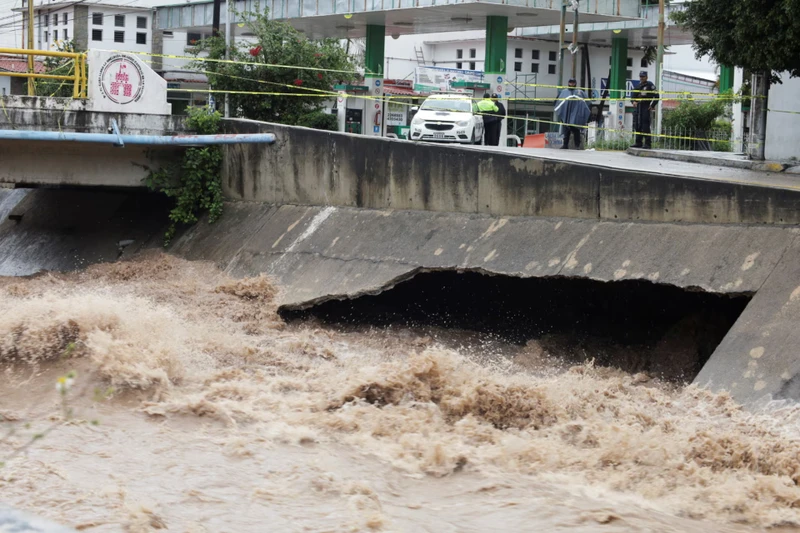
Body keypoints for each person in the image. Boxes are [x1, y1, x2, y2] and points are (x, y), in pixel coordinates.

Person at [555, 78, 590, 150]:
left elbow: (587, 103)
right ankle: (565, 145)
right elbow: (558, 102)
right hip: (565, 114)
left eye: (573, 83)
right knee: (566, 130)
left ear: (575, 83)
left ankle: (577, 145)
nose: (571, 84)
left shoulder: (579, 92)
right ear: (568, 83)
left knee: (575, 129)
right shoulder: (564, 92)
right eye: (570, 82)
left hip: (575, 115)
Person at [632, 71, 658, 149]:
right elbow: (633, 96)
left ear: (646, 77)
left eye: (643, 76)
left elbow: (657, 95)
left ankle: (647, 144)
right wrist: (633, 102)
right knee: (637, 125)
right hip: (638, 107)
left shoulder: (650, 85)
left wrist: (652, 105)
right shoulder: (638, 86)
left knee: (645, 125)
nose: (641, 78)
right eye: (640, 76)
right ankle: (638, 142)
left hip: (645, 107)